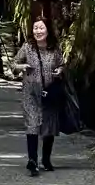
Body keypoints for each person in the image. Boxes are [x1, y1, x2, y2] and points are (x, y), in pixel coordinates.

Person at [13, 15, 65, 174]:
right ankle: (32, 160)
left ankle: (46, 159)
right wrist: (22, 67)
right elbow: (14, 64)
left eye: (41, 27)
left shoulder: (54, 48)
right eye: (35, 28)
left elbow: (62, 64)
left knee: (49, 127)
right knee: (32, 124)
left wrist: (59, 71)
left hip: (50, 93)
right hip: (31, 93)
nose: (38, 31)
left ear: (48, 30)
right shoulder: (27, 47)